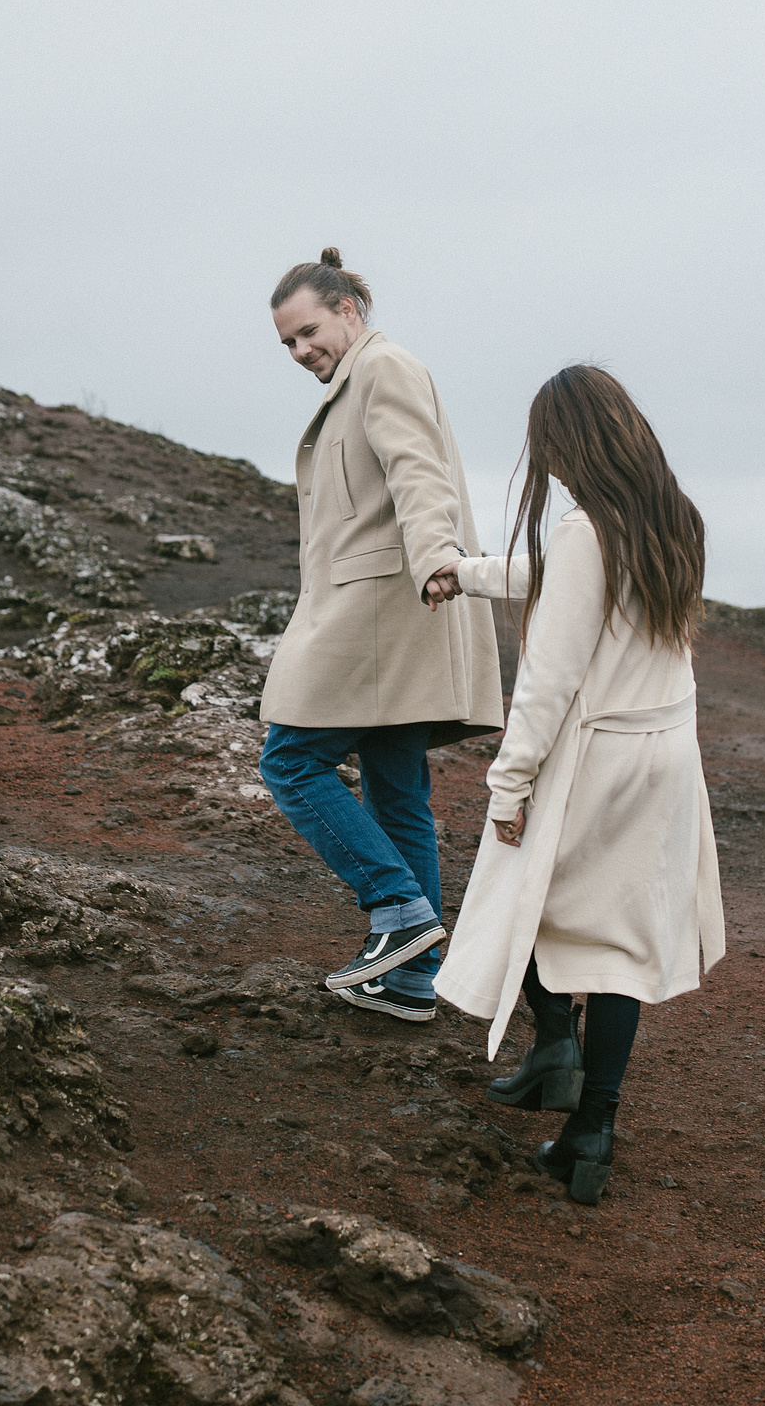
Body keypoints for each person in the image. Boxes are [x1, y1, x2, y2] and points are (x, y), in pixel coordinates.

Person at [427, 364, 724, 1206]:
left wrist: (508, 784)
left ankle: (555, 1039)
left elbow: (549, 677)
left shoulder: (588, 529)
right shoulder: (673, 518)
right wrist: (469, 573)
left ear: (576, 442)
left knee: (516, 895)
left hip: (596, 758)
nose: (547, 465)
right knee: (622, 946)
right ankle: (592, 1128)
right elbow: (566, 578)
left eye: (551, 448)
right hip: (665, 756)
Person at [257, 248, 505, 1023]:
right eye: (288, 344)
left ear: (349, 311)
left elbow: (417, 471)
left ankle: (398, 909)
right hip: (391, 617)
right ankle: (412, 981)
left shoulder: (383, 368)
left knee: (291, 761)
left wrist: (438, 555)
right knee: (400, 795)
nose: (302, 352)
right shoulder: (359, 376)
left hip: (383, 613)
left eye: (308, 332)